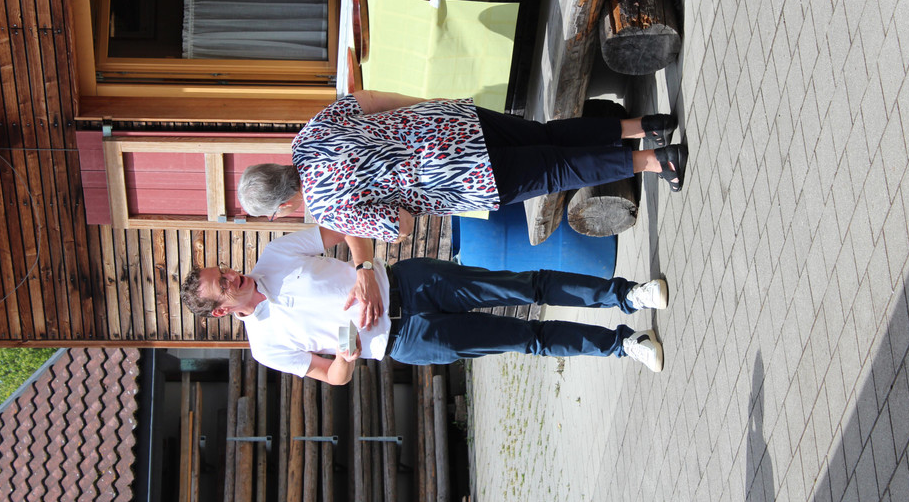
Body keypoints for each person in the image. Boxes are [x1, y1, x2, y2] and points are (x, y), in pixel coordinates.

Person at [179, 225, 668, 384]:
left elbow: (347, 224)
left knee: (525, 285)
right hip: (407, 341)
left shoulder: (274, 255)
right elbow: (333, 377)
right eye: (223, 284)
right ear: (221, 310)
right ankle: (625, 345)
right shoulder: (265, 346)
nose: (232, 274)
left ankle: (626, 295)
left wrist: (364, 268)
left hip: (411, 283)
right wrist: (346, 356)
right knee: (526, 339)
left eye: (223, 269)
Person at [238, 91, 688, 245]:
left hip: (460, 176)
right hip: (447, 121)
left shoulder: (326, 209)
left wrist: (396, 230)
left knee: (556, 171)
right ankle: (645, 126)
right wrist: (425, 106)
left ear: (283, 205)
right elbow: (370, 100)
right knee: (546, 134)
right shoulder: (307, 137)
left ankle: (655, 160)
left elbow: (400, 224)